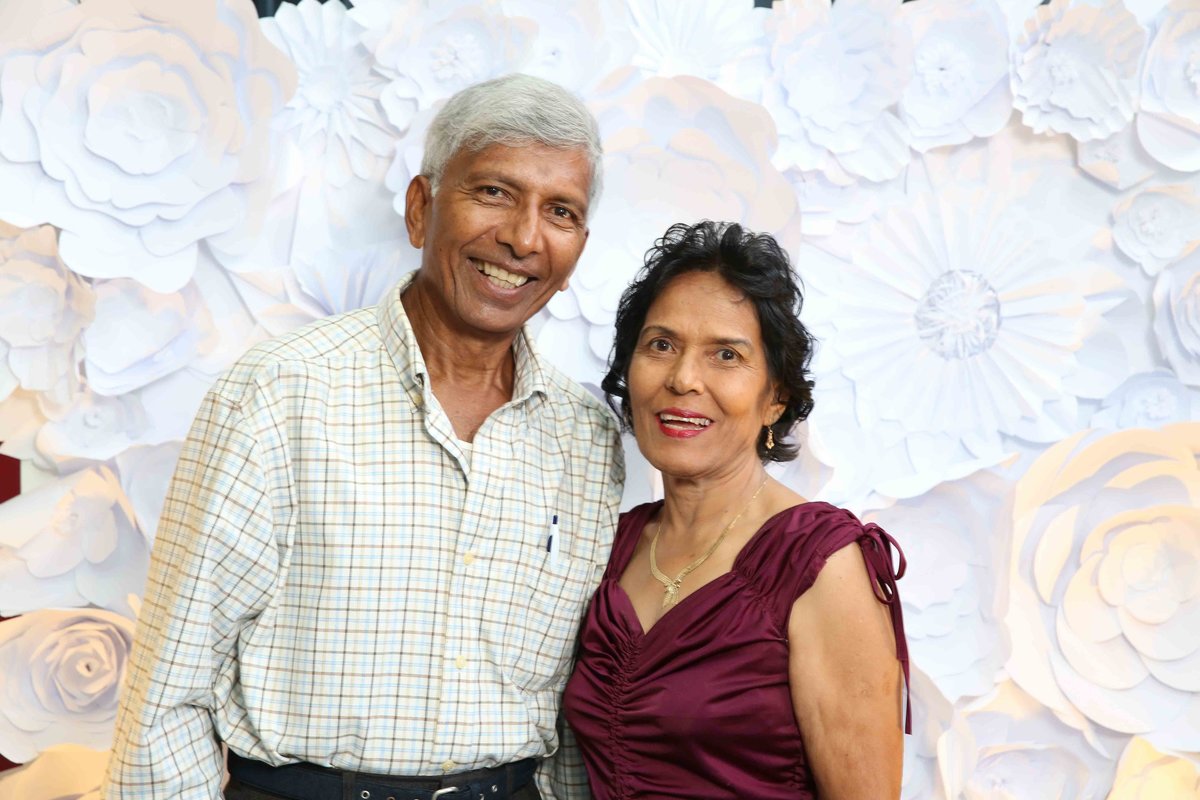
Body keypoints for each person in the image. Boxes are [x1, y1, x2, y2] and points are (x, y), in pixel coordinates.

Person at [103, 74, 623, 800]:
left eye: (559, 211)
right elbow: (169, 690)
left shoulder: (587, 439)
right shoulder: (280, 392)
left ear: (577, 252)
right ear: (420, 209)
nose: (523, 237)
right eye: (495, 193)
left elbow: (570, 717)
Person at [563, 221, 910, 799]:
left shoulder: (820, 564)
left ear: (776, 397)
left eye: (726, 354)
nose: (682, 378)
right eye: (661, 345)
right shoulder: (613, 543)